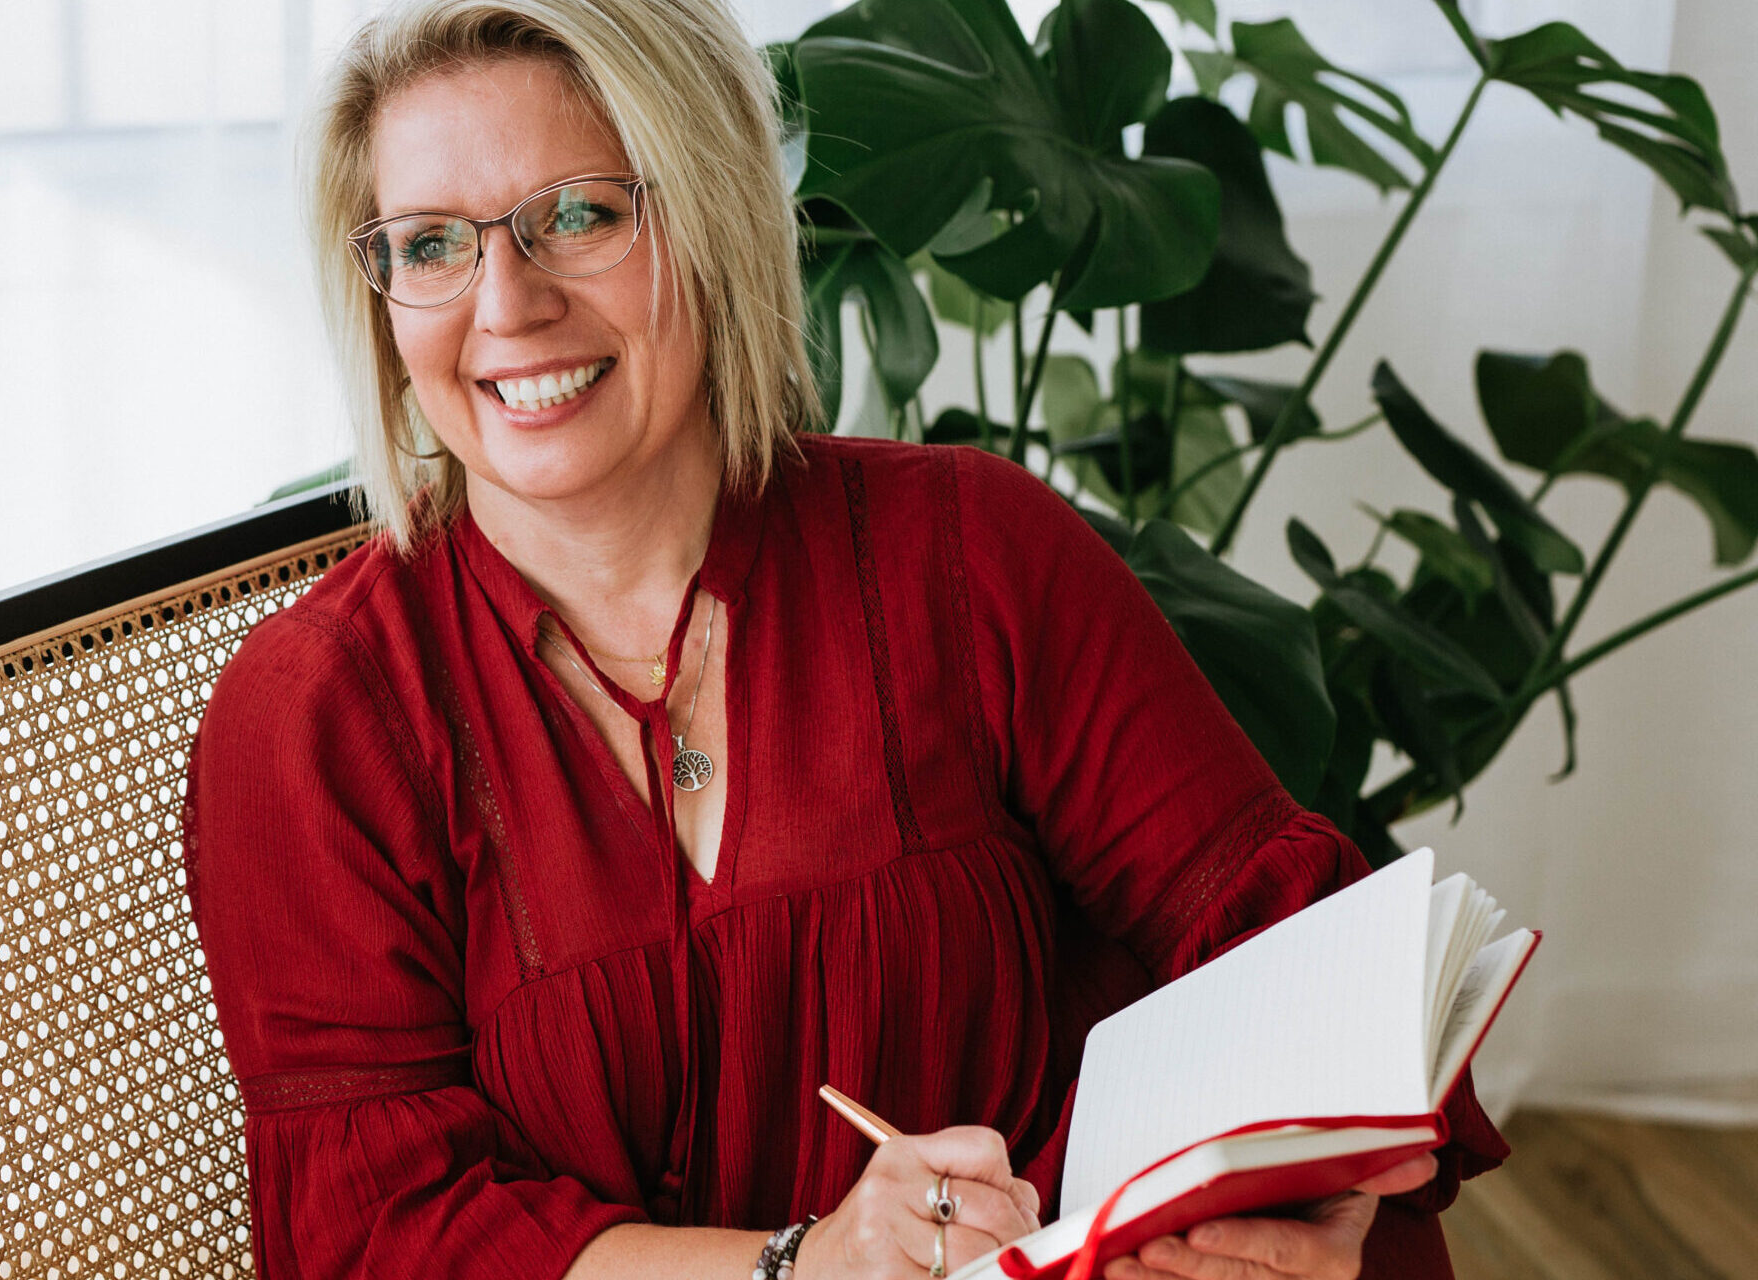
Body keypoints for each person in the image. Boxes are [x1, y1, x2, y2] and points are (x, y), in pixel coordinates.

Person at [181, 2, 1508, 1277]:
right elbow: (383, 1233)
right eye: (428, 244)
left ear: (711, 217)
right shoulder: (313, 721)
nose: (507, 303)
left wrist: (1319, 1199)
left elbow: (1278, 941)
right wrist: (799, 1267)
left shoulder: (972, 553)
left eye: (580, 214)